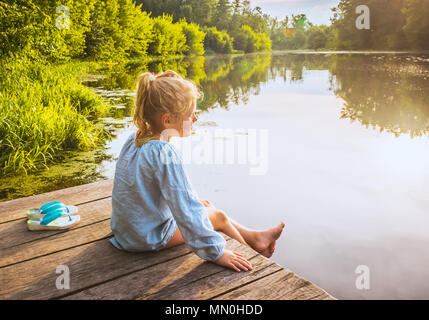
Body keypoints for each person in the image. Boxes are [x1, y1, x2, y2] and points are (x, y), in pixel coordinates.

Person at [110, 70, 285, 272]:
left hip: (127, 232)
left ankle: (256, 238)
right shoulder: (163, 152)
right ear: (167, 121)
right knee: (218, 216)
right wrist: (217, 253)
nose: (195, 118)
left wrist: (194, 202)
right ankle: (254, 260)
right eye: (190, 114)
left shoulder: (134, 139)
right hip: (147, 238)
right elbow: (188, 212)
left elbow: (141, 190)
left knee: (204, 205)